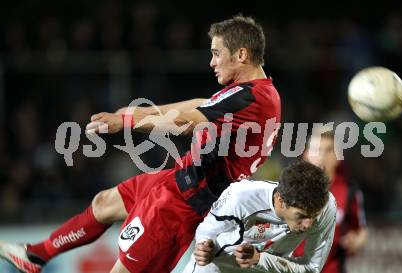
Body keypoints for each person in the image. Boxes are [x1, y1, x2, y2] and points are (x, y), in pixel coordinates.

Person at [0, 15, 281, 273]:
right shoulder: (253, 92)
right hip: (180, 180)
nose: (212, 62)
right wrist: (141, 112)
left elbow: (188, 121)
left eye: (216, 53)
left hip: (184, 203)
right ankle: (36, 255)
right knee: (104, 203)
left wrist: (127, 122)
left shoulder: (252, 98)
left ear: (241, 54)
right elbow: (201, 105)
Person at [182, 160, 336, 273]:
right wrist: (204, 248)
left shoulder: (326, 208)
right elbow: (207, 231)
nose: (308, 225)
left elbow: (312, 268)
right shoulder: (240, 197)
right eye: (301, 216)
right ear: (280, 200)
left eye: (314, 216)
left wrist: (261, 260)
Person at [293, 131, 368, 273]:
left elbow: (361, 230)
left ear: (338, 157)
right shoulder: (290, 189)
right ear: (306, 154)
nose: (322, 156)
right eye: (317, 150)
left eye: (329, 150)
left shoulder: (349, 191)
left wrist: (356, 242)